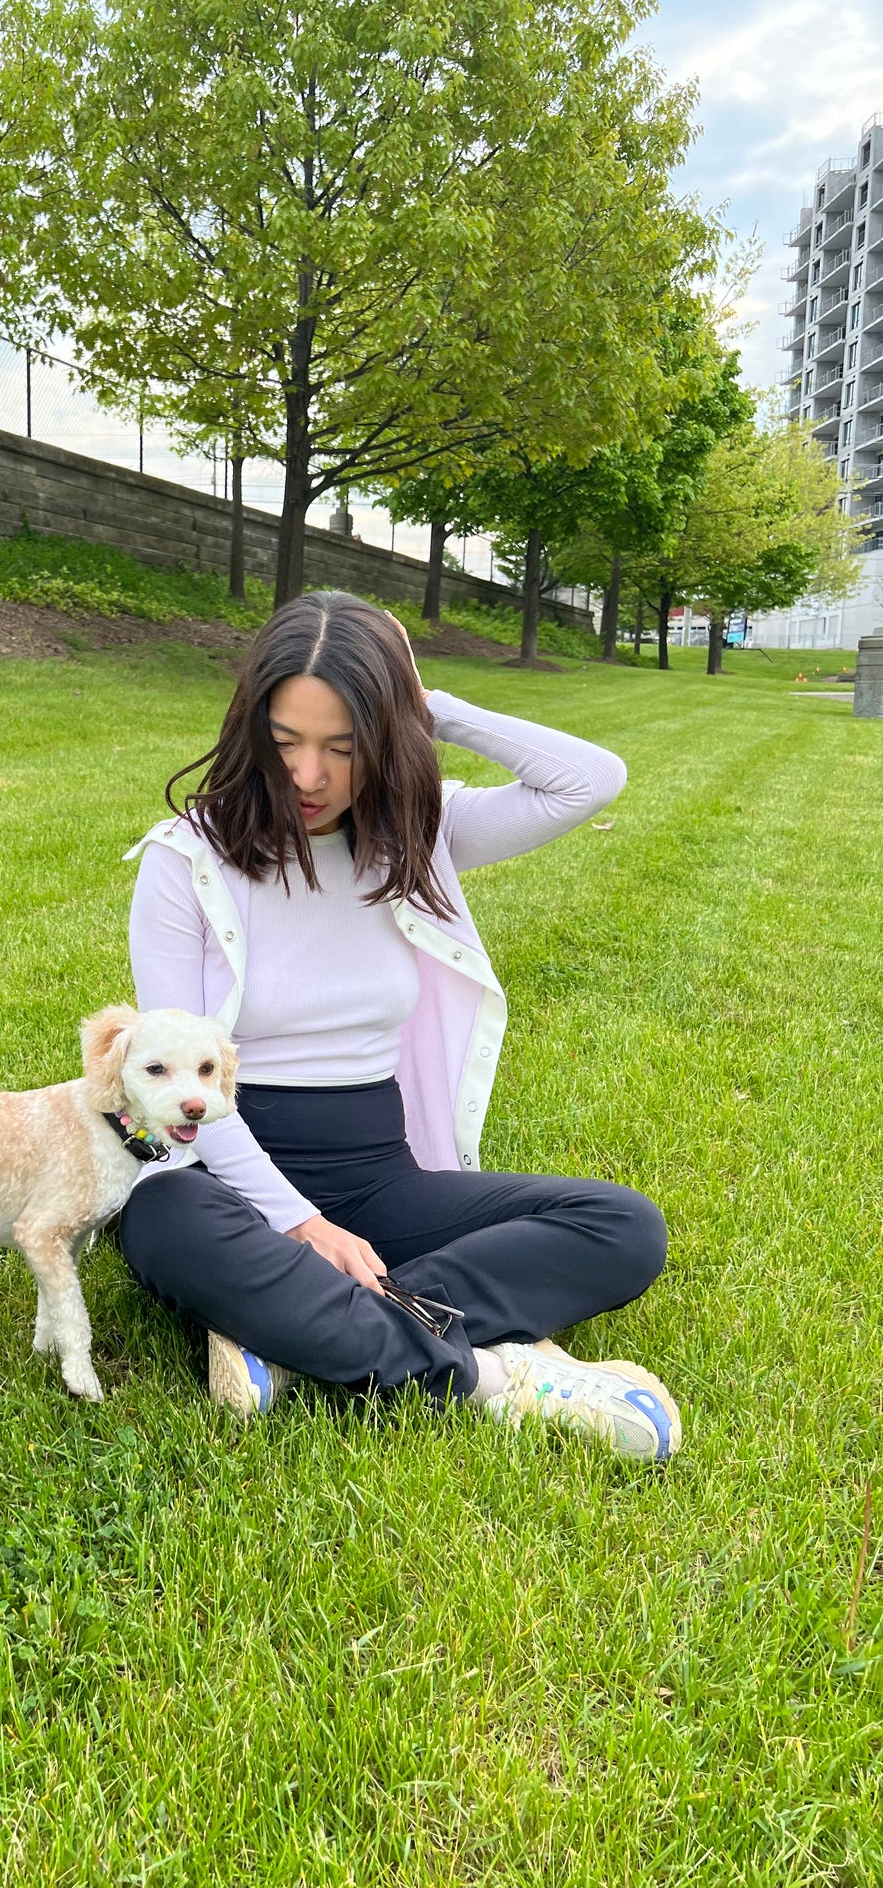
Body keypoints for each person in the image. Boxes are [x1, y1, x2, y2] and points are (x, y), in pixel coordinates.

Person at [119, 589, 679, 1461]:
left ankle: (292, 1330)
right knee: (159, 1215)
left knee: (622, 1226)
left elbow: (589, 778)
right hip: (222, 1175)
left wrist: (431, 709)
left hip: (379, 1177)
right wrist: (300, 1224)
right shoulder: (184, 860)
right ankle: (490, 1380)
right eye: (285, 740)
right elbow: (175, 1092)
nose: (307, 775)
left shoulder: (421, 834)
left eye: (342, 748)